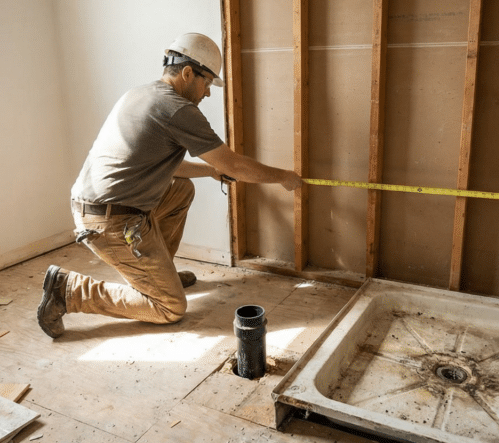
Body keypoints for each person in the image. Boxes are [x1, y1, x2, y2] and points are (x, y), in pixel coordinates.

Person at [36, 33, 301, 338]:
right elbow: (234, 165)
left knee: (181, 189)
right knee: (170, 307)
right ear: (188, 73)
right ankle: (69, 291)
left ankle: (160, 273)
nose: (208, 92)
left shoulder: (141, 94)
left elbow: (162, 164)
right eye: (206, 82)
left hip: (101, 206)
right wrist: (283, 176)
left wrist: (210, 172)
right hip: (109, 220)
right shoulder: (178, 109)